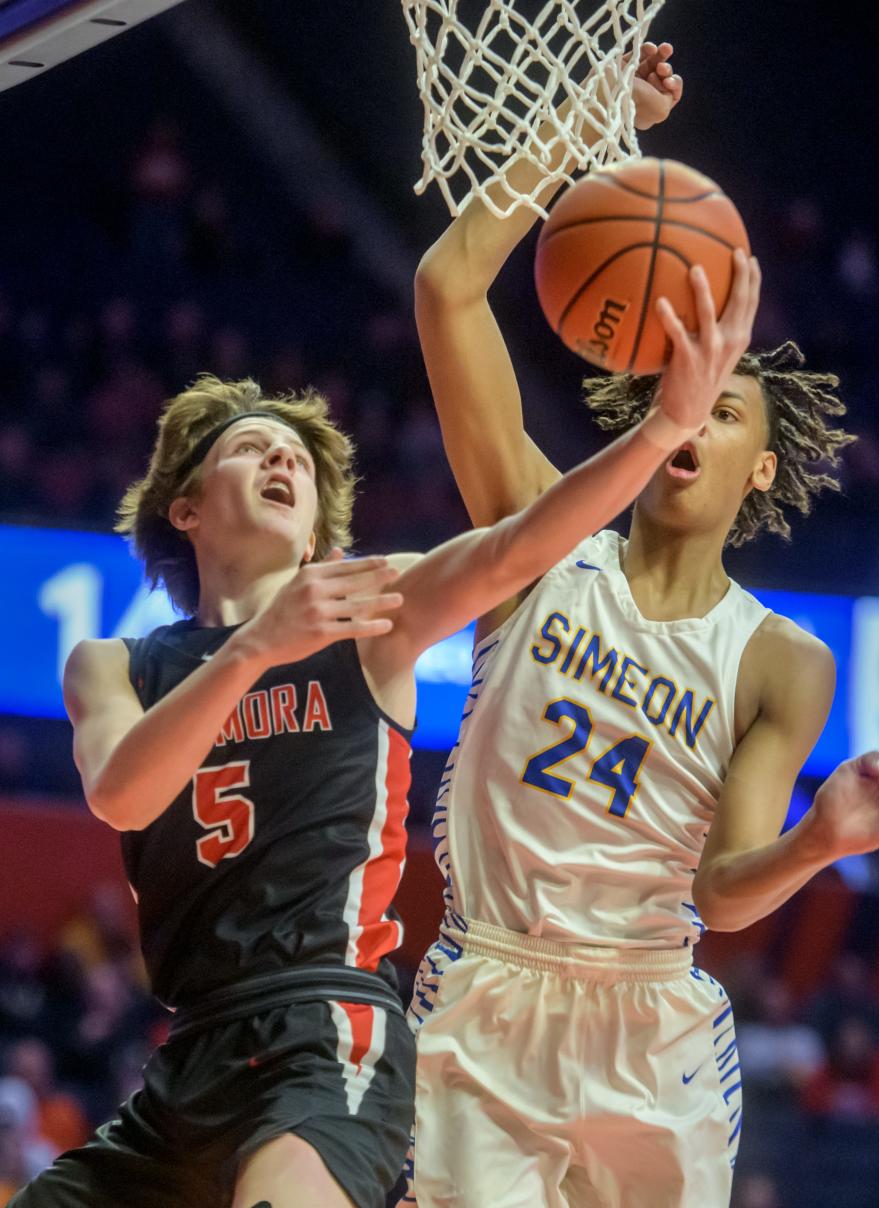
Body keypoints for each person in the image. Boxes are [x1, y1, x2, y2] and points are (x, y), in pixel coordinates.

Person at [10, 209, 758, 1208]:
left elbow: (522, 545)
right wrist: (255, 650)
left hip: (329, 1032)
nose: (285, 462)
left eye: (300, 462)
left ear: (320, 525)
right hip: (188, 1056)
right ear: (185, 508)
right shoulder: (113, 663)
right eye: (253, 448)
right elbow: (119, 791)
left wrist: (664, 424)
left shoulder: (367, 613)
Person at [405, 41, 879, 1208]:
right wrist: (584, 130)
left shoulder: (781, 658)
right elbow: (448, 289)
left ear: (761, 466)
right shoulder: (536, 543)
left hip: (651, 1016)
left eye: (724, 401)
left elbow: (727, 886)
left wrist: (818, 842)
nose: (693, 409)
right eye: (676, 389)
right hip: (485, 983)